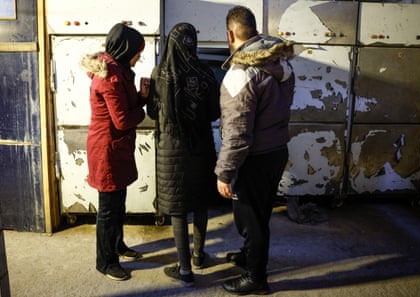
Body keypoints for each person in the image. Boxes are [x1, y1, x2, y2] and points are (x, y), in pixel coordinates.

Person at [215, 5, 295, 295]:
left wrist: (224, 173)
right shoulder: (281, 64)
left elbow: (237, 135)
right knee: (260, 214)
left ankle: (255, 278)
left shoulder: (240, 74)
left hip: (253, 158)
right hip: (276, 151)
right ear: (255, 31)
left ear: (230, 34)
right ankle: (251, 256)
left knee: (250, 220)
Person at [146, 22, 220, 287]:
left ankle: (185, 268)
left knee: (178, 208)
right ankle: (199, 255)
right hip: (200, 146)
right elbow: (214, 113)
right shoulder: (205, 72)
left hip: (171, 148)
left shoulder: (161, 73)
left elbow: (153, 113)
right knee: (199, 202)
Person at [80, 23, 150, 281]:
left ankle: (117, 245)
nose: (139, 56)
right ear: (126, 49)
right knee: (108, 209)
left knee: (118, 203)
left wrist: (142, 96)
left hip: (116, 148)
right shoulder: (109, 77)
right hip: (106, 150)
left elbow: (124, 107)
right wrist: (144, 110)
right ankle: (106, 262)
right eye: (137, 51)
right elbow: (122, 120)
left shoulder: (119, 71)